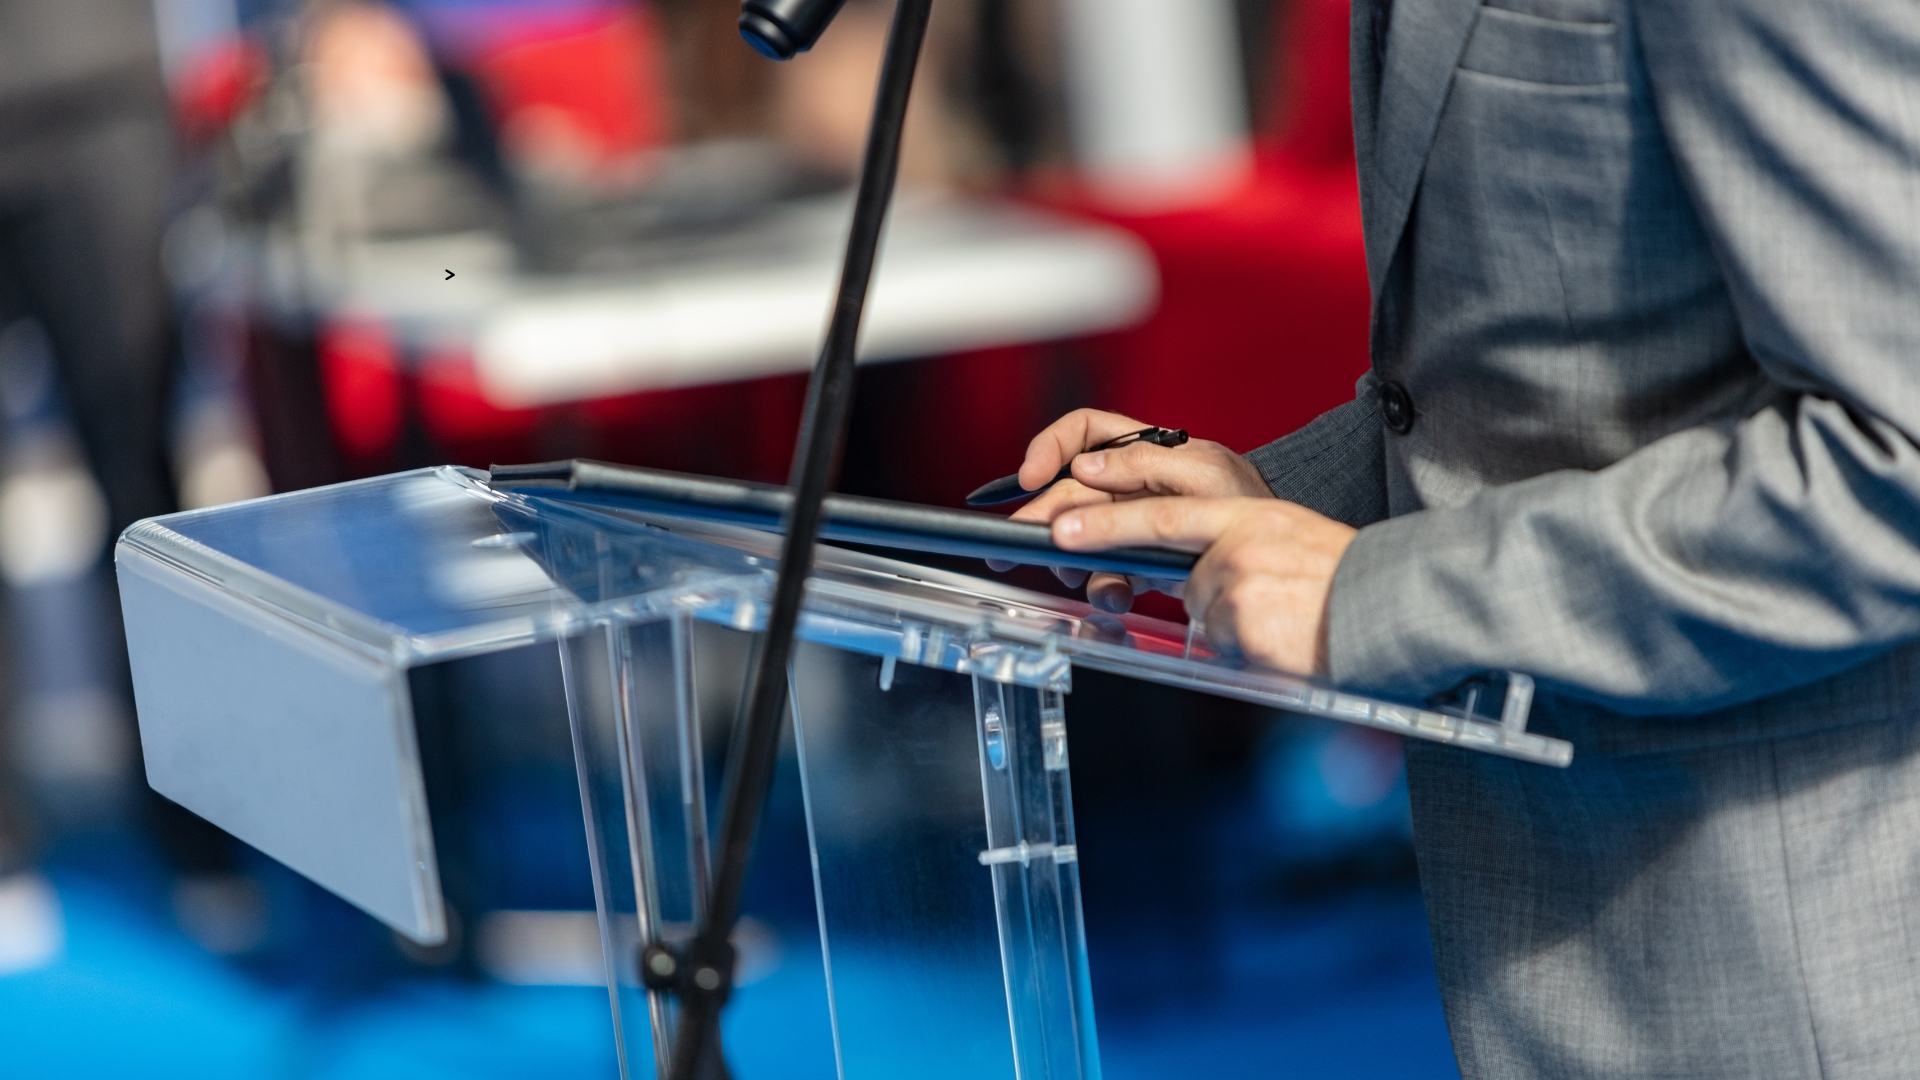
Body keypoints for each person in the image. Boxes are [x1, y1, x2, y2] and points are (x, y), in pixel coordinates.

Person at [1004, 1, 1920, 1076]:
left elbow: (1894, 462)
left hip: (1784, 953)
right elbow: (1535, 391)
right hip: (1565, 918)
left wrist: (1380, 594)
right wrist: (1268, 497)